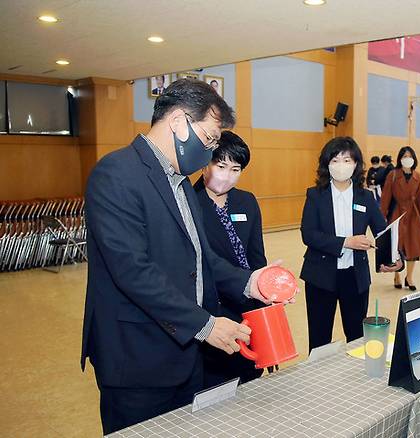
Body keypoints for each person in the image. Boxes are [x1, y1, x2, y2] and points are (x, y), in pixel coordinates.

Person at [81, 79, 286, 434]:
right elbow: (133, 271)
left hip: (185, 353)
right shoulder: (116, 173)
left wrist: (251, 282)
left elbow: (202, 259)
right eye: (208, 139)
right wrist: (205, 325)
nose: (208, 154)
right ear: (178, 121)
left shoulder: (179, 182)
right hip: (137, 358)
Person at [300, 137, 401, 352]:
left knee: (357, 337)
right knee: (319, 338)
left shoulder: (365, 197)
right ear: (326, 164)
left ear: (356, 165)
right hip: (320, 276)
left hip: (355, 277)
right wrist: (347, 242)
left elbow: (382, 230)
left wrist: (394, 257)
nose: (341, 165)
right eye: (335, 160)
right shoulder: (316, 195)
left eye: (347, 160)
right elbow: (308, 234)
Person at [193, 131, 268, 387]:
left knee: (250, 379)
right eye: (221, 165)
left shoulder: (246, 201)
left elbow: (257, 256)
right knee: (217, 384)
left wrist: (267, 288)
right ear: (205, 164)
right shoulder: (189, 203)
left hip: (249, 305)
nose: (227, 175)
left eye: (235, 169)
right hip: (214, 310)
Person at [381, 146, 420, 291]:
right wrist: (382, 217)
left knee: (413, 248)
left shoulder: (418, 177)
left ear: (414, 159)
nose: (407, 158)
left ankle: (409, 277)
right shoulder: (393, 175)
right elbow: (385, 197)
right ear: (400, 159)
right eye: (404, 156)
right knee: (397, 246)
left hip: (413, 215)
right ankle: (397, 275)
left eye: (409, 156)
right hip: (397, 213)